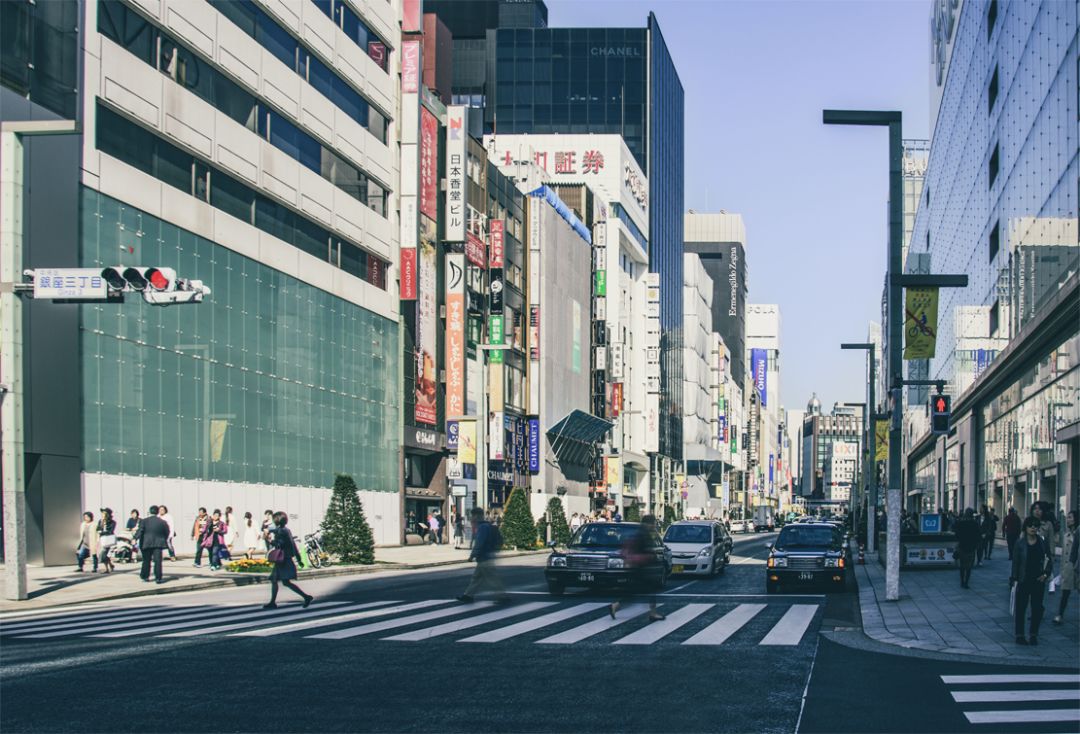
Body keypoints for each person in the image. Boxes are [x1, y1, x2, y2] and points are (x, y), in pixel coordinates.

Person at [609, 516, 666, 622]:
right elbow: (645, 550)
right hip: (642, 568)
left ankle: (616, 606)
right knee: (649, 590)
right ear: (648, 524)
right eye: (652, 523)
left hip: (636, 567)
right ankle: (653, 613)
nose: (654, 526)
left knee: (634, 591)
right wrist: (651, 556)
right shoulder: (644, 534)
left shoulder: (640, 533)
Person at [1011, 516, 1052, 645]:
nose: (1033, 528)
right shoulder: (1020, 543)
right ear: (1026, 527)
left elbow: (1049, 559)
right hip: (1023, 579)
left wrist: (1046, 574)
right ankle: (1020, 635)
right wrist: (1013, 579)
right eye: (1030, 525)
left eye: (1035, 525)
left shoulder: (1042, 542)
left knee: (1037, 609)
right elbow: (1015, 562)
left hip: (1038, 580)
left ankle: (1033, 634)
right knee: (1021, 608)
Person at [264, 511, 313, 609]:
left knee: (281, 581)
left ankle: (306, 597)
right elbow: (292, 544)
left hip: (283, 559)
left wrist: (269, 540)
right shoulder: (286, 530)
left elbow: (279, 544)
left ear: (277, 520)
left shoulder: (281, 531)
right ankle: (273, 602)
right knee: (280, 581)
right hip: (285, 558)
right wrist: (298, 558)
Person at [458, 508, 506, 603]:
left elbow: (479, 543)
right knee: (477, 578)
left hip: (485, 557)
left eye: (472, 516)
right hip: (486, 556)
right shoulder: (487, 525)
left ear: (476, 516)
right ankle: (468, 595)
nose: (472, 518)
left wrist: (472, 555)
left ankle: (502, 596)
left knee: (491, 578)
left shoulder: (482, 527)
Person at [1052, 510, 1078, 625]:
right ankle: (1060, 614)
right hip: (1068, 569)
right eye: (1067, 517)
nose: (1068, 520)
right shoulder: (1066, 535)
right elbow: (1063, 556)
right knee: (1065, 593)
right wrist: (1062, 571)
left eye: (1070, 517)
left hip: (1078, 568)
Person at [135, 505, 170, 584]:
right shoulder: (162, 522)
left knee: (146, 561)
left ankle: (145, 576)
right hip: (158, 544)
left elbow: (140, 531)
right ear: (157, 512)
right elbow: (167, 532)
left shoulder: (144, 521)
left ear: (150, 512)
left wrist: (135, 538)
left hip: (146, 543)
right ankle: (158, 578)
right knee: (158, 561)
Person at [953, 508, 981, 589]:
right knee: (969, 566)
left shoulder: (961, 523)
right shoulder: (975, 524)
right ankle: (966, 582)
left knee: (962, 565)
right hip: (971, 547)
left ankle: (962, 581)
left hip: (962, 546)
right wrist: (976, 544)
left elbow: (956, 533)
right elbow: (978, 536)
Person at [96, 508, 117, 573]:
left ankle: (106, 569)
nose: (102, 515)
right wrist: (100, 529)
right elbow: (97, 529)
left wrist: (102, 532)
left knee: (104, 553)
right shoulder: (100, 521)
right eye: (102, 514)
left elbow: (111, 531)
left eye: (104, 514)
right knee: (105, 554)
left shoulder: (113, 522)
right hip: (102, 539)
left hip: (109, 540)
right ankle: (110, 565)